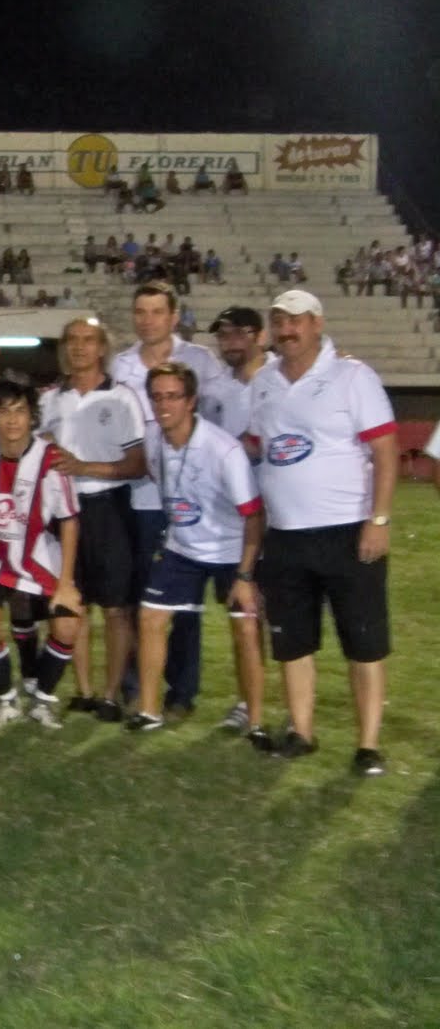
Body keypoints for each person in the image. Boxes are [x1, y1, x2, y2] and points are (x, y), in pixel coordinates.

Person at [248, 290, 396, 776]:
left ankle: (368, 744)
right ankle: (302, 730)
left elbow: (386, 452)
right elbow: (259, 446)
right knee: (293, 641)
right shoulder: (263, 381)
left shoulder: (353, 376)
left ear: (316, 324)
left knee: (364, 640)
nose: (287, 331)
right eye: (279, 322)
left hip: (347, 532)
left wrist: (378, 520)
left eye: (296, 322)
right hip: (286, 534)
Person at [132, 362, 270, 748]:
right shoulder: (153, 439)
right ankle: (148, 711)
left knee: (245, 626)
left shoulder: (223, 450)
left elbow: (253, 515)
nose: (164, 405)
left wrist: (244, 576)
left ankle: (254, 719)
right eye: (156, 397)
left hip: (232, 549)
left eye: (173, 396)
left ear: (191, 401)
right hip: (182, 547)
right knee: (150, 617)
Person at [110, 282, 225, 717]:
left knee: (186, 601)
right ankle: (138, 683)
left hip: (190, 500)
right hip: (140, 498)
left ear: (174, 317)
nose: (147, 319)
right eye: (140, 311)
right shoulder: (120, 364)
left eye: (157, 311)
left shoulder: (200, 361)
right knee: (143, 594)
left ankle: (182, 690)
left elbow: (215, 421)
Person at [0, 380, 83, 731]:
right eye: (4, 411)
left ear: (32, 417)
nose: (12, 420)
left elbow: (70, 521)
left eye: (20, 411)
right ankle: (6, 700)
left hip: (39, 553)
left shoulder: (50, 459)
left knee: (69, 621)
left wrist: (66, 582)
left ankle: (42, 699)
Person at [40, 318, 145, 719]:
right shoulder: (50, 399)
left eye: (88, 340)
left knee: (116, 607)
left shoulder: (122, 398)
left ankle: (110, 693)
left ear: (102, 348)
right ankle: (84, 691)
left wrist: (85, 466)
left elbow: (136, 464)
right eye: (72, 340)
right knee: (73, 602)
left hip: (108, 509)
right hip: (64, 511)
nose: (80, 347)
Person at [204, 307, 266, 442]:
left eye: (239, 333)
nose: (229, 341)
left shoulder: (282, 377)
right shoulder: (212, 391)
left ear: (261, 337)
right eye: (222, 335)